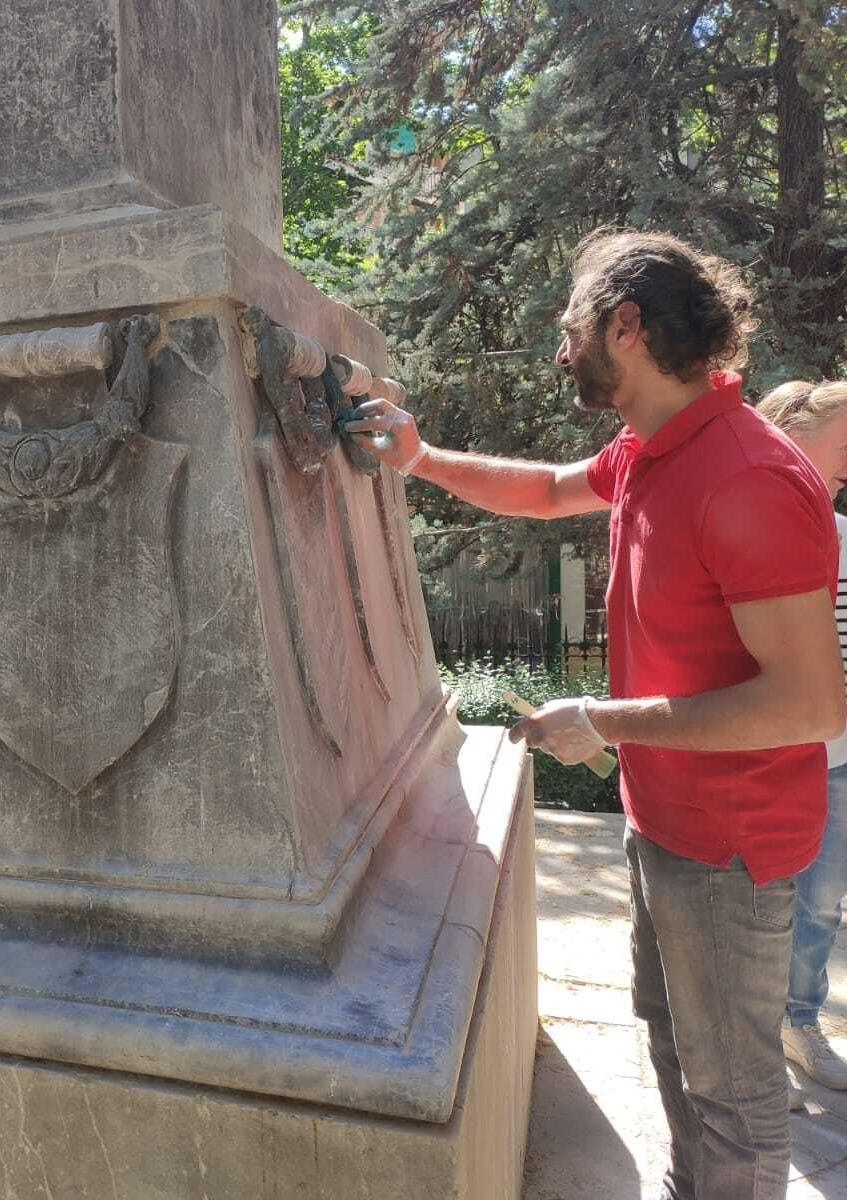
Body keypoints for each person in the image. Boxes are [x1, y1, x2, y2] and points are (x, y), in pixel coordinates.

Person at [343, 229, 846, 1200]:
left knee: (734, 1097)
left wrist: (606, 722)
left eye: (569, 323)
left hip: (730, 849)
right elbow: (541, 491)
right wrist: (416, 457)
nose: (559, 344)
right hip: (663, 824)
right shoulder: (652, 447)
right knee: (669, 1045)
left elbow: (805, 702)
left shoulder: (748, 477)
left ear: (625, 325)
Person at [755, 381, 847, 1093]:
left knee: (819, 901)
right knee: (756, 899)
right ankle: (752, 1046)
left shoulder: (845, 536)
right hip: (765, 753)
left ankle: (797, 1019)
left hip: (837, 758)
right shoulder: (753, 522)